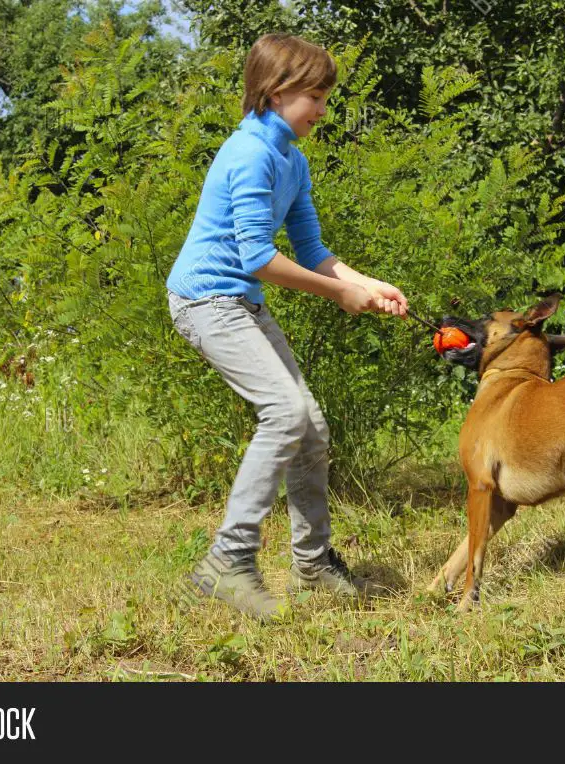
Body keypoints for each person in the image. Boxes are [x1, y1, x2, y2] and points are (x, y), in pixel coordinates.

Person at [165, 33, 408, 621]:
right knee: (285, 412)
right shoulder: (248, 153)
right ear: (276, 93)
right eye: (316, 96)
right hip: (204, 300)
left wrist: (366, 284)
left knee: (311, 428)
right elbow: (256, 257)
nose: (323, 109)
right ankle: (228, 559)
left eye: (325, 96)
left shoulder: (290, 160)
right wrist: (339, 293)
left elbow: (311, 248)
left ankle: (312, 562)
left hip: (240, 303)